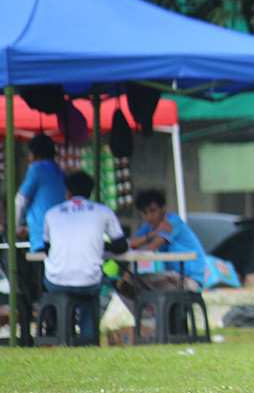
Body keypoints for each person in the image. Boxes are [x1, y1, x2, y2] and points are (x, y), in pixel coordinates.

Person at [42, 171, 128, 338]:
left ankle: (59, 333)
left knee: (52, 286)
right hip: (89, 282)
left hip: (56, 281)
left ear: (68, 192)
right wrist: (100, 244)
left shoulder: (51, 213)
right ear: (90, 192)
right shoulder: (103, 211)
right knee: (91, 287)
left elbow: (47, 248)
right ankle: (88, 337)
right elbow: (121, 246)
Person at [127, 189, 206, 292]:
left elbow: (151, 248)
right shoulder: (149, 227)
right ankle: (148, 308)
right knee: (129, 284)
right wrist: (152, 234)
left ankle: (146, 308)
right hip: (173, 275)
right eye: (144, 213)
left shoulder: (172, 222)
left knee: (134, 282)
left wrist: (142, 243)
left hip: (189, 278)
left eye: (153, 211)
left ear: (163, 208)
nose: (149, 216)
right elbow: (130, 244)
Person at [16, 133, 67, 252]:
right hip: (62, 239)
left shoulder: (37, 169)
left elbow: (20, 200)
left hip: (41, 238)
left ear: (34, 155)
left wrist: (17, 226)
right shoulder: (62, 174)